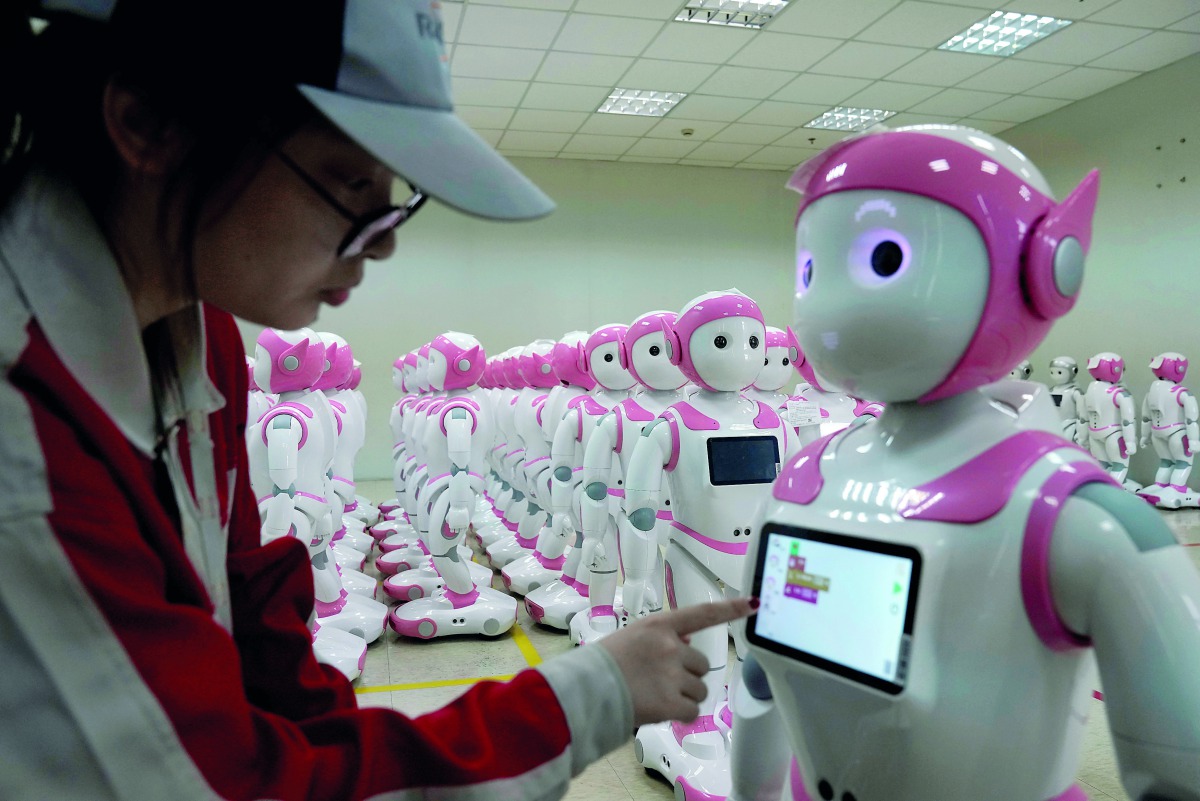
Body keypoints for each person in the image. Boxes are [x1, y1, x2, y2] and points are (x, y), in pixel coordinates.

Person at [0, 2, 755, 800]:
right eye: (349, 180)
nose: (384, 234)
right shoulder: (24, 444)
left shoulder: (198, 337)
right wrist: (587, 692)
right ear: (147, 122)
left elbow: (254, 617)